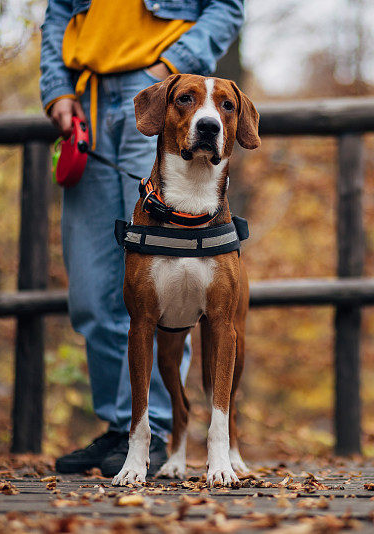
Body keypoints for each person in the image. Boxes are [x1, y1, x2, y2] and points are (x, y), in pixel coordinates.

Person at [39, 0, 244, 476]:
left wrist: (171, 68)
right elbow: (57, 15)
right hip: (85, 93)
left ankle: (157, 427)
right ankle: (121, 426)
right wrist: (56, 91)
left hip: (164, 88)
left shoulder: (180, 93)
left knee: (176, 269)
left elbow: (226, 7)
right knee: (92, 288)